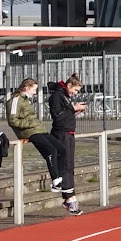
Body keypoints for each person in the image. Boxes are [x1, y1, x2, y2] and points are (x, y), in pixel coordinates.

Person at [6, 78, 76, 215]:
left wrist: (35, 124)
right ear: (26, 87)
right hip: (29, 131)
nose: (35, 93)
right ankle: (55, 180)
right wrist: (29, 124)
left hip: (38, 129)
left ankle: (60, 178)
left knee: (61, 149)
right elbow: (12, 120)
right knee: (50, 150)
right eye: (34, 89)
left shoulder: (25, 100)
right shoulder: (15, 100)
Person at [47, 75, 87, 207]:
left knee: (69, 165)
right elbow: (57, 116)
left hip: (68, 133)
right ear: (69, 86)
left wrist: (74, 111)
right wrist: (73, 108)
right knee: (65, 164)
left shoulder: (65, 96)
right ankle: (69, 197)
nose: (76, 93)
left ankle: (69, 196)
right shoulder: (57, 96)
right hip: (61, 134)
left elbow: (65, 114)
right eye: (75, 90)